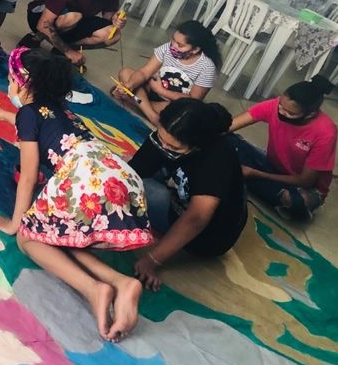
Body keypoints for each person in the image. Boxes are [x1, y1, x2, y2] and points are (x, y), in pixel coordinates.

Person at [0, 48, 151, 341]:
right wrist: (9, 117)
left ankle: (93, 289)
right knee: (60, 231)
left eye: (11, 80)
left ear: (24, 84)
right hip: (117, 176)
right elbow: (43, 126)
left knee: (29, 237)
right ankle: (120, 282)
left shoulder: (27, 114)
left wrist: (13, 223)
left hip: (84, 182)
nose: (9, 86)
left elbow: (29, 175)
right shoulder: (59, 107)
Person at [130, 99, 247, 290]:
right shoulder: (168, 135)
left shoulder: (217, 158)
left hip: (208, 237)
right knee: (129, 175)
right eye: (161, 138)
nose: (164, 146)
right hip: (193, 197)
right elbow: (135, 169)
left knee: (144, 189)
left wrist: (152, 260)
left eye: (175, 148)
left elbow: (197, 218)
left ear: (198, 145)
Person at [230, 76, 336, 221]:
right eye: (280, 105)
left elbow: (305, 181)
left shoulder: (325, 132)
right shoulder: (277, 105)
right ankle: (242, 175)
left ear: (310, 114)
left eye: (290, 113)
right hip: (271, 165)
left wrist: (254, 173)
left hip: (302, 186)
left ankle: (240, 175)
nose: (281, 112)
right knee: (227, 140)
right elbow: (230, 125)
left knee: (296, 202)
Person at [114, 20, 221, 126]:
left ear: (195, 49)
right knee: (126, 72)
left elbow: (193, 100)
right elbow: (144, 72)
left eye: (180, 45)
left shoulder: (207, 67)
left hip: (173, 103)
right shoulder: (167, 48)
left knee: (185, 112)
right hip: (151, 90)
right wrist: (130, 85)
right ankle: (152, 114)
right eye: (173, 40)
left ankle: (137, 102)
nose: (173, 46)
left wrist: (160, 90)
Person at [21, 0, 126, 66]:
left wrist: (116, 20)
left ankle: (62, 49)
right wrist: (68, 52)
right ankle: (37, 37)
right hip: (40, 16)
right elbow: (42, 24)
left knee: (113, 35)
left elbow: (108, 18)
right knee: (73, 17)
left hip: (78, 20)